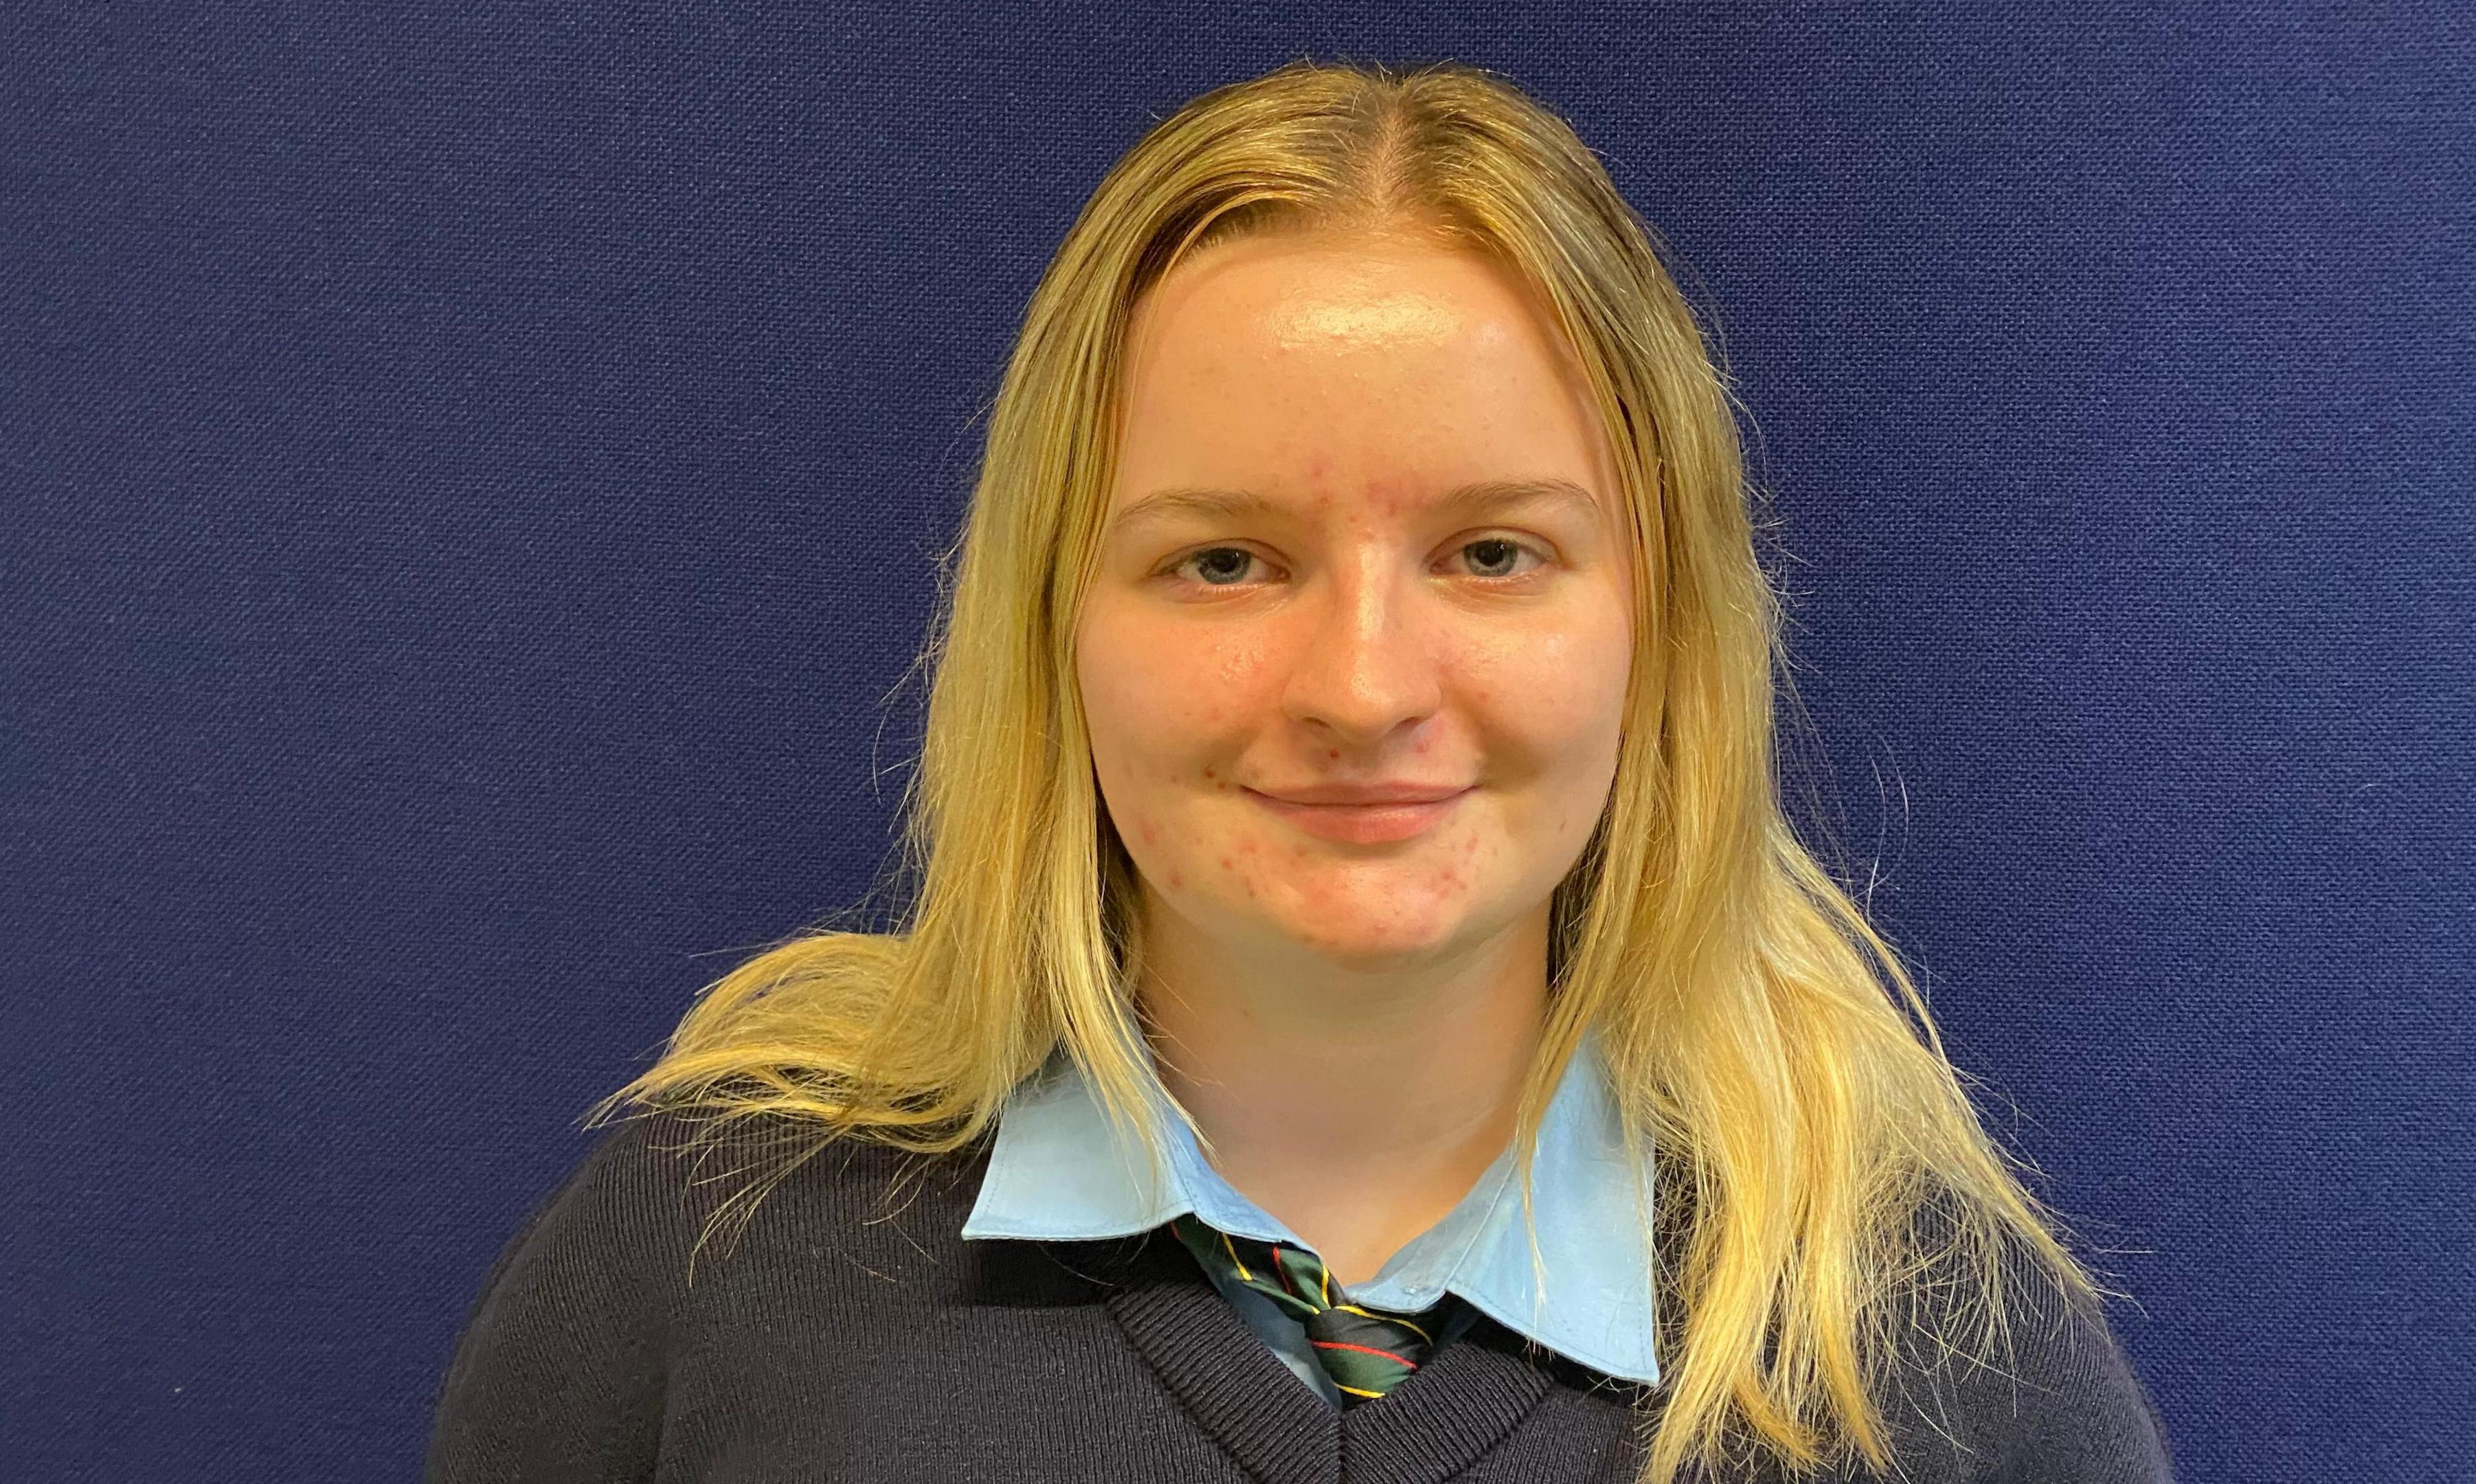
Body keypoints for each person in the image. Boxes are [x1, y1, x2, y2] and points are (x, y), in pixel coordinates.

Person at [424, 58, 2174, 1483]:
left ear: (1665, 636)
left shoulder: (1935, 1348)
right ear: (1057, 634)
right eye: (1225, 561)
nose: (1359, 687)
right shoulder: (699, 1268)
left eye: (1494, 554)